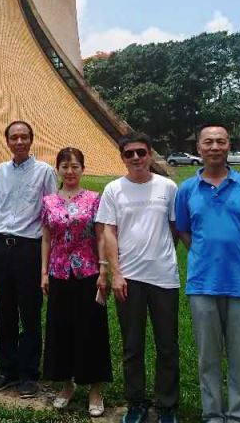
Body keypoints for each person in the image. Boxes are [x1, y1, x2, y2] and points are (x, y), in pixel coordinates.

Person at [175, 124, 240, 423]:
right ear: (199, 149)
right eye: (208, 142)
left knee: (239, 356)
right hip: (203, 283)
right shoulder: (187, 189)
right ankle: (213, 414)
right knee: (208, 356)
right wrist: (203, 255)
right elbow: (183, 230)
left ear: (229, 146)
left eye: (221, 141)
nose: (215, 147)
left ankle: (237, 415)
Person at [97, 132, 181, 423]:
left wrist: (161, 254)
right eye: (129, 154)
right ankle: (136, 402)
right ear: (123, 157)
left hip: (163, 277)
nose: (135, 158)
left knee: (167, 345)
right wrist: (116, 273)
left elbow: (175, 228)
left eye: (140, 153)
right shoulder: (114, 190)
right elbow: (109, 232)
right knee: (132, 346)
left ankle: (167, 405)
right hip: (128, 278)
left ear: (149, 154)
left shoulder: (168, 187)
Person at [0, 121, 57, 398]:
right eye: (14, 137)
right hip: (3, 247)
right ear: (7, 141)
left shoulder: (45, 172)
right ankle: (7, 370)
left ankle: (28, 373)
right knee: (5, 311)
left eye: (24, 137)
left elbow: (50, 214)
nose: (19, 142)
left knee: (29, 313)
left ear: (31, 140)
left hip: (30, 247)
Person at [40, 147, 112, 417]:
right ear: (57, 170)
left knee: (92, 330)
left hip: (89, 274)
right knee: (61, 329)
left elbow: (101, 236)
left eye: (75, 167)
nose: (70, 172)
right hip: (59, 273)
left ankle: (95, 389)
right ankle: (66, 384)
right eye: (64, 167)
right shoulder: (48, 201)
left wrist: (104, 270)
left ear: (83, 169)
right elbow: (46, 238)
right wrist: (43, 272)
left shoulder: (94, 199)